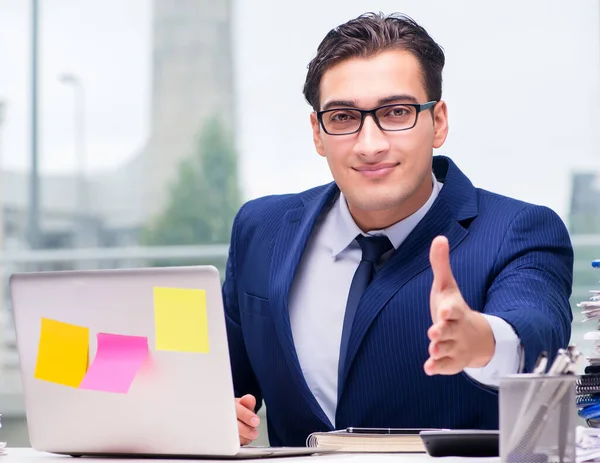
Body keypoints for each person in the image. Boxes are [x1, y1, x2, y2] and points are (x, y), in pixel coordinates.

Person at [222, 12, 573, 447]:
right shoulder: (261, 230)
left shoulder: (519, 230)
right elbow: (221, 384)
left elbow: (537, 333)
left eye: (396, 112)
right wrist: (210, 413)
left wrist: (480, 340)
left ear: (438, 122)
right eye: (344, 117)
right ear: (318, 132)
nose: (370, 145)